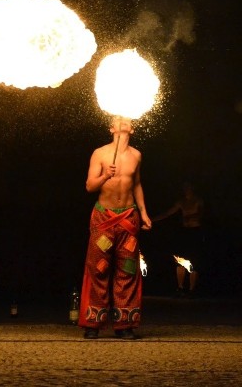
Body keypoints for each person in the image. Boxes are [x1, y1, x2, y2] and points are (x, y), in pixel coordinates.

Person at [79, 116, 152, 340]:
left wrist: (144, 213)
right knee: (99, 268)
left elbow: (137, 184)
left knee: (128, 269)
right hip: (104, 218)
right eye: (118, 119)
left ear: (132, 128)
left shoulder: (136, 155)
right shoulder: (99, 153)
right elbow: (90, 186)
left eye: (126, 118)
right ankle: (93, 323)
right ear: (111, 128)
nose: (123, 120)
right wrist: (104, 176)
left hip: (129, 218)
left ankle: (124, 324)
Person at [153, 181, 205, 298]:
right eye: (185, 187)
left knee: (194, 261)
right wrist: (153, 220)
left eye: (189, 187)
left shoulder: (198, 200)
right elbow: (168, 213)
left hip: (195, 231)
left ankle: (192, 290)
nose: (187, 189)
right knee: (180, 260)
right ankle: (180, 288)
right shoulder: (181, 202)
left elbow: (201, 214)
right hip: (185, 232)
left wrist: (190, 216)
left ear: (193, 188)